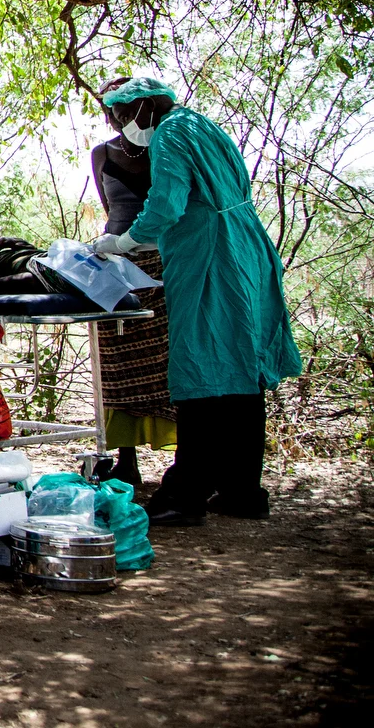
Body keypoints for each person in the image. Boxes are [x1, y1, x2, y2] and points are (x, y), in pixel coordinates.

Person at [90, 77, 302, 524]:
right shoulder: (204, 125)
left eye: (125, 114)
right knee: (242, 376)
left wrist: (124, 242)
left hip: (207, 254)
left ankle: (184, 496)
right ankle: (243, 492)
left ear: (145, 108)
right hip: (244, 250)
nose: (122, 124)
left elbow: (166, 204)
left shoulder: (170, 133)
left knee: (200, 370)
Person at [88, 77, 178, 488]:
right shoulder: (102, 154)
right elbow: (112, 208)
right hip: (118, 265)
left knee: (169, 361)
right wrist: (119, 245)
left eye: (131, 106)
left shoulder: (168, 144)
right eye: (116, 109)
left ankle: (184, 456)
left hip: (166, 264)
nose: (124, 115)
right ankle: (126, 459)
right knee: (117, 359)